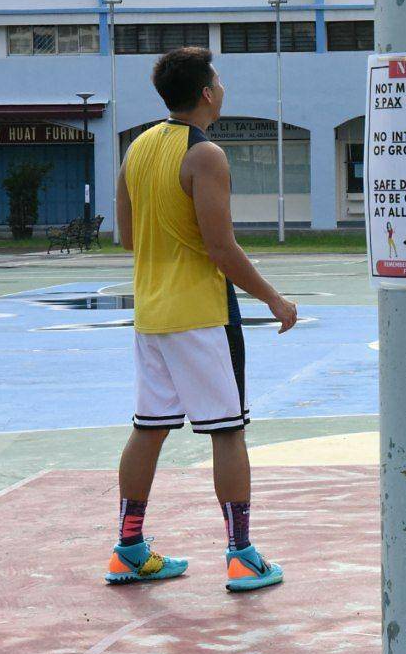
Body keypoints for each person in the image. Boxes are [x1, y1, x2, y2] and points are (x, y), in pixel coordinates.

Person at [108, 47, 299, 593]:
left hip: (151, 315)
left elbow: (127, 236)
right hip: (202, 316)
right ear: (208, 92)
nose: (222, 85)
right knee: (227, 432)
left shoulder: (137, 149)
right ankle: (241, 556)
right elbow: (222, 247)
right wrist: (273, 299)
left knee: (148, 429)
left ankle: (129, 548)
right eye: (218, 78)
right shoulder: (206, 155)